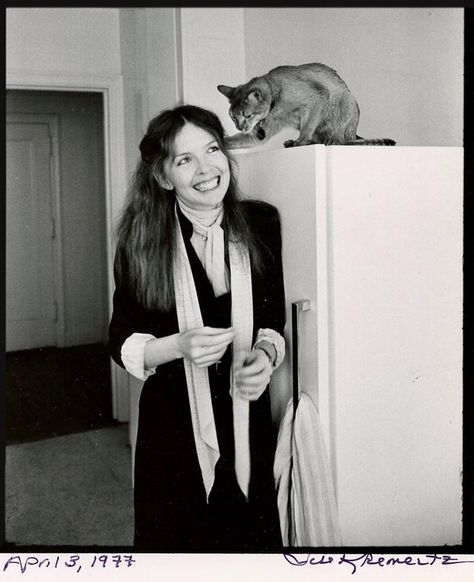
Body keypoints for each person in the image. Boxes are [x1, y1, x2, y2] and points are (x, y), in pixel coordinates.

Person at [108, 104, 286, 551]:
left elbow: (271, 323)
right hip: (172, 429)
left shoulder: (262, 224)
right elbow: (122, 343)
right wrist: (178, 345)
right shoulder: (139, 242)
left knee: (250, 543)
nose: (206, 169)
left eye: (213, 150)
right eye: (185, 159)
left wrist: (264, 358)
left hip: (247, 420)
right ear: (164, 177)